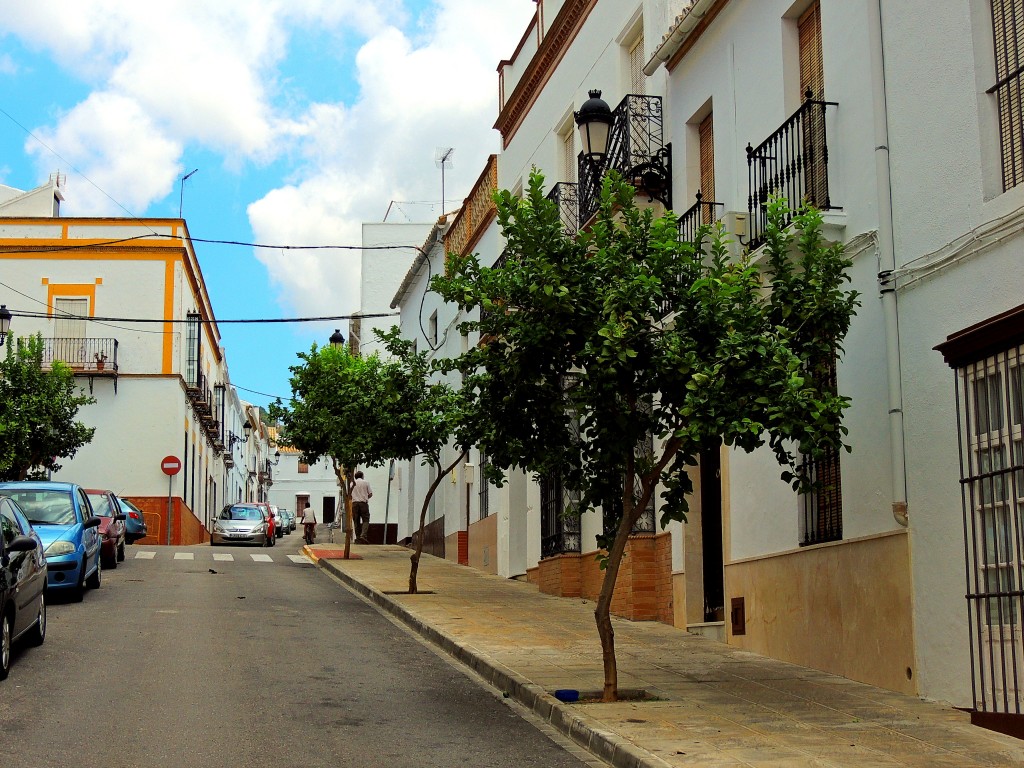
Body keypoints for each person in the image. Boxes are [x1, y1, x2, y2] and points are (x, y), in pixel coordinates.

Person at [350, 470, 372, 543]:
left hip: (355, 504)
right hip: (363, 503)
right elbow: (370, 494)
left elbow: (349, 495)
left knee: (356, 521)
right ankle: (363, 535)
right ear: (362, 476)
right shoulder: (366, 483)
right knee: (366, 520)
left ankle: (358, 537)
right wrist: (365, 497)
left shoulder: (351, 484)